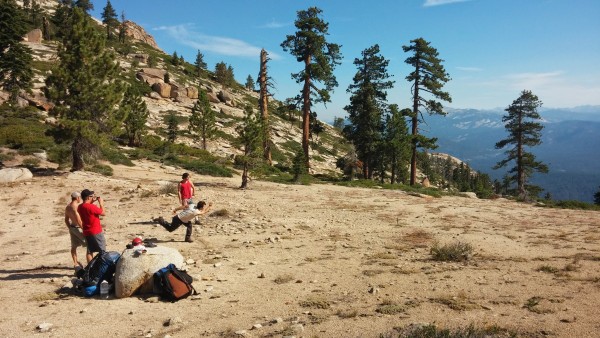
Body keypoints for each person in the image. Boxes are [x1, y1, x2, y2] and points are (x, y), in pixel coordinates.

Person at [64, 191, 92, 268]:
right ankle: (90, 264)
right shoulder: (76, 206)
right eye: (79, 197)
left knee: (74, 246)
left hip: (72, 228)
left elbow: (66, 220)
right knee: (89, 245)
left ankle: (75, 263)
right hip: (79, 228)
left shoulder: (68, 207)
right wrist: (84, 229)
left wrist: (70, 228)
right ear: (77, 198)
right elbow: (79, 220)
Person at [77, 189, 106, 257]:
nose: (93, 197)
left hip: (87, 231)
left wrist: (91, 202)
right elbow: (103, 213)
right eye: (92, 196)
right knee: (102, 251)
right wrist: (101, 203)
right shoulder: (91, 207)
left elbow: (88, 209)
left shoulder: (80, 207)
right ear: (88, 197)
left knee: (90, 251)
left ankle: (90, 266)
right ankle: (102, 266)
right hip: (96, 231)